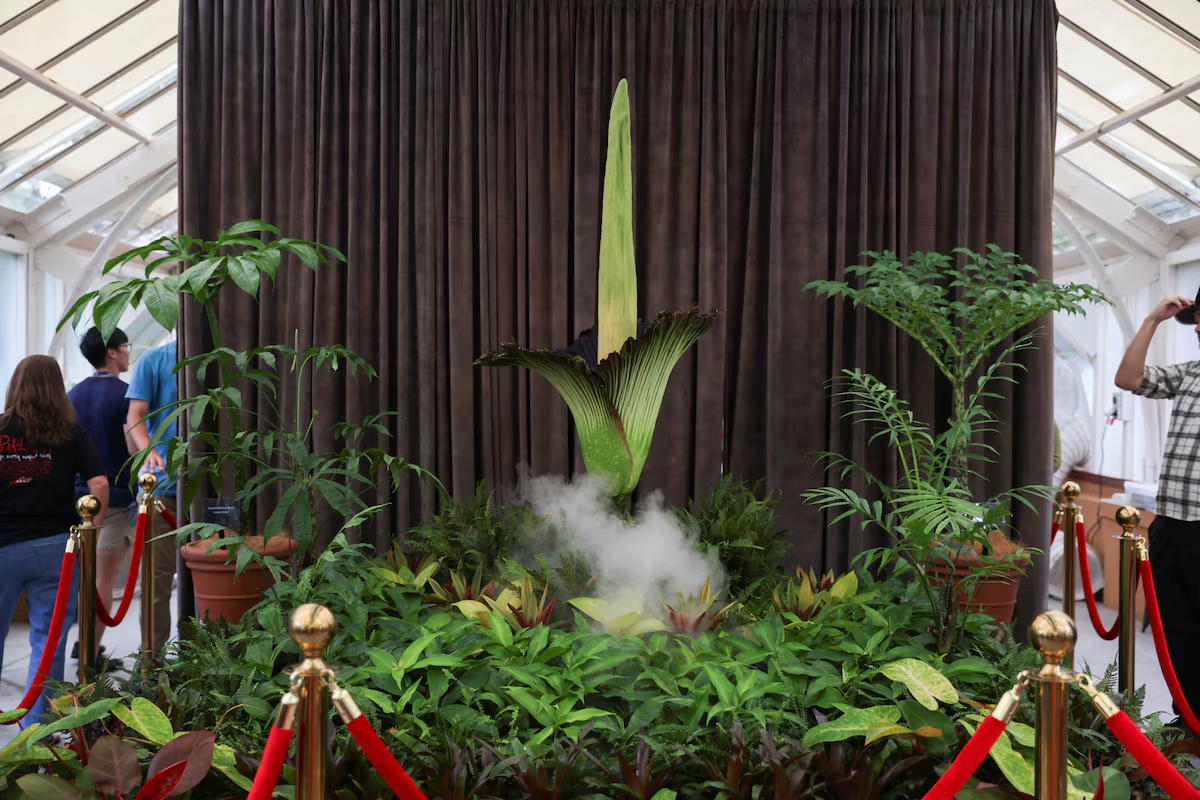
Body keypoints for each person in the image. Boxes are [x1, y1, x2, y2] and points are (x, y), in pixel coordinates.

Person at [0, 355, 108, 723]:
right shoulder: (69, 433)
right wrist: (94, 528)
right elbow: (99, 484)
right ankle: (38, 741)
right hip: (55, 550)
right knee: (48, 645)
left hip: (2, 546)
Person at [1115, 292, 1200, 726]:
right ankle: (1187, 717)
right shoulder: (1189, 375)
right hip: (1171, 524)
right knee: (1176, 632)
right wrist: (1152, 319)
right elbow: (1127, 379)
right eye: (1198, 318)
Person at [67, 327, 134, 670]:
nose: (127, 352)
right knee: (102, 580)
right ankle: (90, 655)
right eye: (125, 346)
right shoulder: (126, 395)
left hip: (77, 500)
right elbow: (134, 445)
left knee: (83, 577)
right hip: (114, 500)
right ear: (111, 352)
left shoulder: (72, 395)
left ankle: (84, 642)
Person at [124, 340, 177, 650]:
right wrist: (149, 450)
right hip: (164, 490)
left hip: (215, 489)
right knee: (157, 582)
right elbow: (136, 414)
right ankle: (152, 664)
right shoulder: (154, 359)